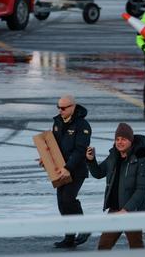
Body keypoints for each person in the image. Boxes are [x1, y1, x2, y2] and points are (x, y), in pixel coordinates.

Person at [86, 123, 145, 250]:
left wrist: (126, 210)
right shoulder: (113, 157)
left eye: (123, 139)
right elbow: (98, 173)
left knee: (136, 247)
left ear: (131, 141)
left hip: (132, 212)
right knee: (103, 246)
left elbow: (142, 190)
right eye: (117, 139)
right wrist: (91, 160)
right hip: (115, 210)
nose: (120, 142)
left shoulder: (141, 160)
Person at [52, 95, 91, 248]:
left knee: (69, 199)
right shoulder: (57, 122)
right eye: (58, 107)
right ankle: (69, 237)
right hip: (60, 169)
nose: (60, 110)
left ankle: (84, 228)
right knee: (61, 203)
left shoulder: (83, 125)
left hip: (76, 169)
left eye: (63, 108)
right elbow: (53, 145)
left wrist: (68, 168)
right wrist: (45, 158)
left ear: (73, 107)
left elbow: (80, 150)